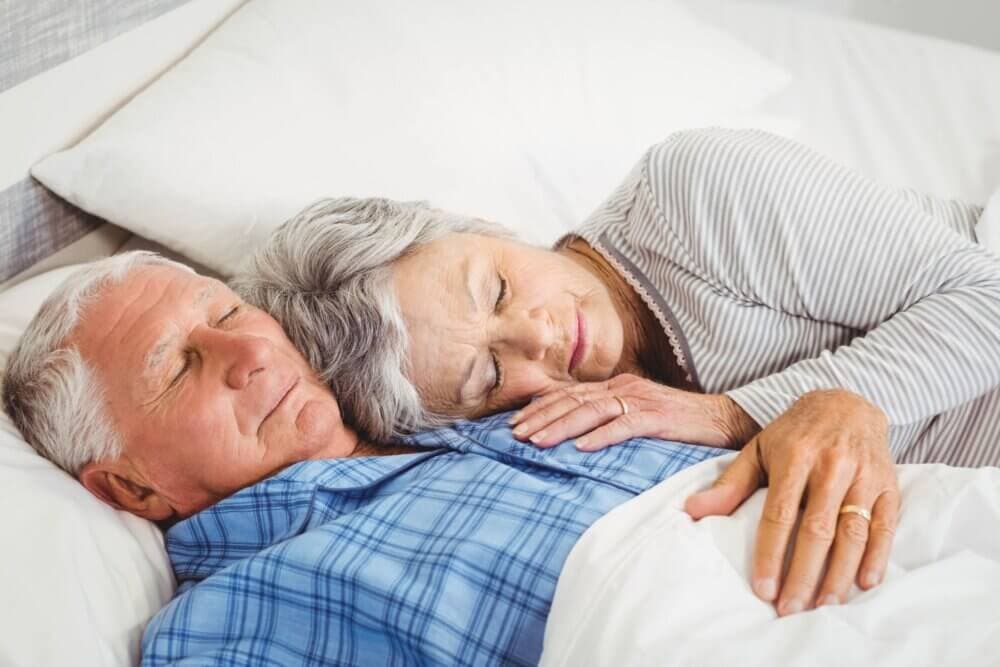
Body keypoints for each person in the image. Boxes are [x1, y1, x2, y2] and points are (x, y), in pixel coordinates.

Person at [234, 128, 1000, 617]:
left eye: (497, 286)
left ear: (489, 229)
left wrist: (737, 412)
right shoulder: (558, 434)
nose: (537, 335)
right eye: (489, 374)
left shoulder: (695, 193)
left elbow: (988, 298)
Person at [0, 251, 733, 664]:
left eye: (226, 313)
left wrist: (814, 416)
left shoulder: (459, 396)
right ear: (131, 486)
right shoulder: (228, 628)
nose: (250, 352)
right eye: (179, 366)